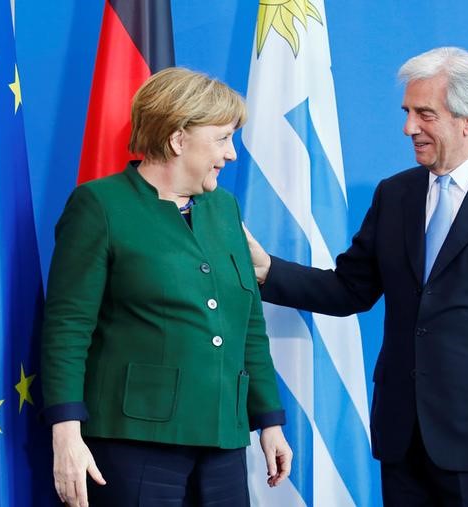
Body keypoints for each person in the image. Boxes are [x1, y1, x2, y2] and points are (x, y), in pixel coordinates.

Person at [245, 47, 468, 507]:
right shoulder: (395, 193)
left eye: (424, 114)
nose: (408, 128)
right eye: (407, 112)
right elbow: (348, 289)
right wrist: (267, 270)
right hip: (401, 436)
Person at [41, 67, 292, 507]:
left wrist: (268, 420)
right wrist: (66, 432)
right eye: (222, 138)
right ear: (178, 140)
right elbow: (67, 327)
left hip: (222, 439)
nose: (231, 155)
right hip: (133, 440)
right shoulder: (100, 205)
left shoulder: (223, 208)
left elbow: (247, 322)